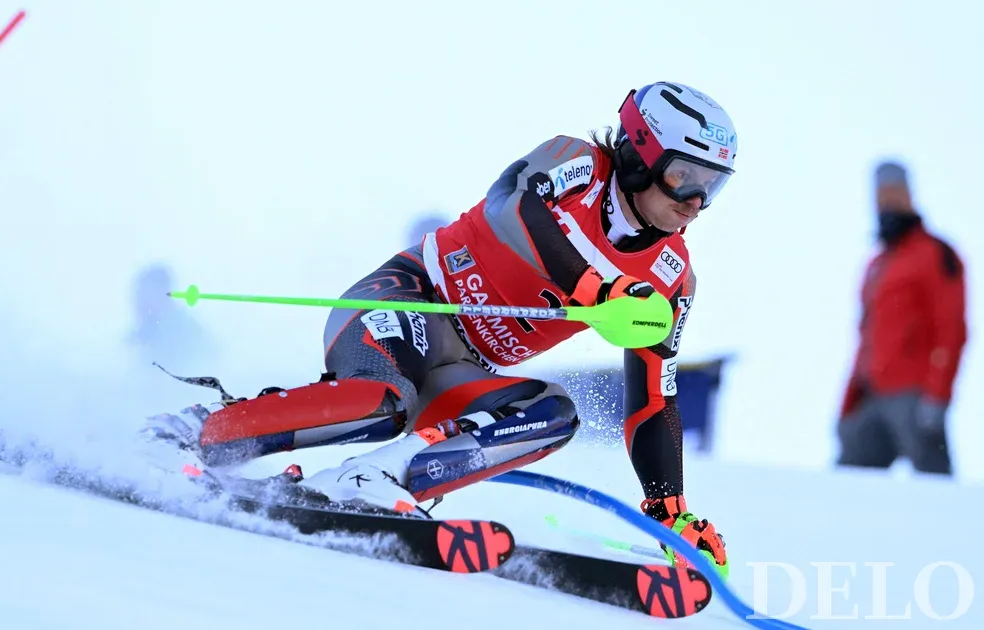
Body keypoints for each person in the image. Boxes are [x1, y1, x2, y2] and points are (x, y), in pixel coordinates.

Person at [152, 81, 737, 577]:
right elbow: (514, 208)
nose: (695, 201)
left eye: (712, 186)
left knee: (552, 414)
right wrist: (593, 290)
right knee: (382, 403)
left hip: (461, 367)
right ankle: (190, 431)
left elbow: (654, 398)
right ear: (639, 152)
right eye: (685, 176)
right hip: (411, 301)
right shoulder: (574, 163)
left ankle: (377, 477)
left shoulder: (671, 280)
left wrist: (668, 510)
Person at [837, 161, 967, 475]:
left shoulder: (936, 254)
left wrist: (937, 396)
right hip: (871, 395)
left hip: (914, 395)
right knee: (848, 486)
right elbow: (866, 335)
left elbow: (951, 330)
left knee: (934, 486)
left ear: (910, 195)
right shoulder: (878, 263)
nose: (887, 201)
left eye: (895, 192)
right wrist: (849, 402)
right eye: (881, 194)